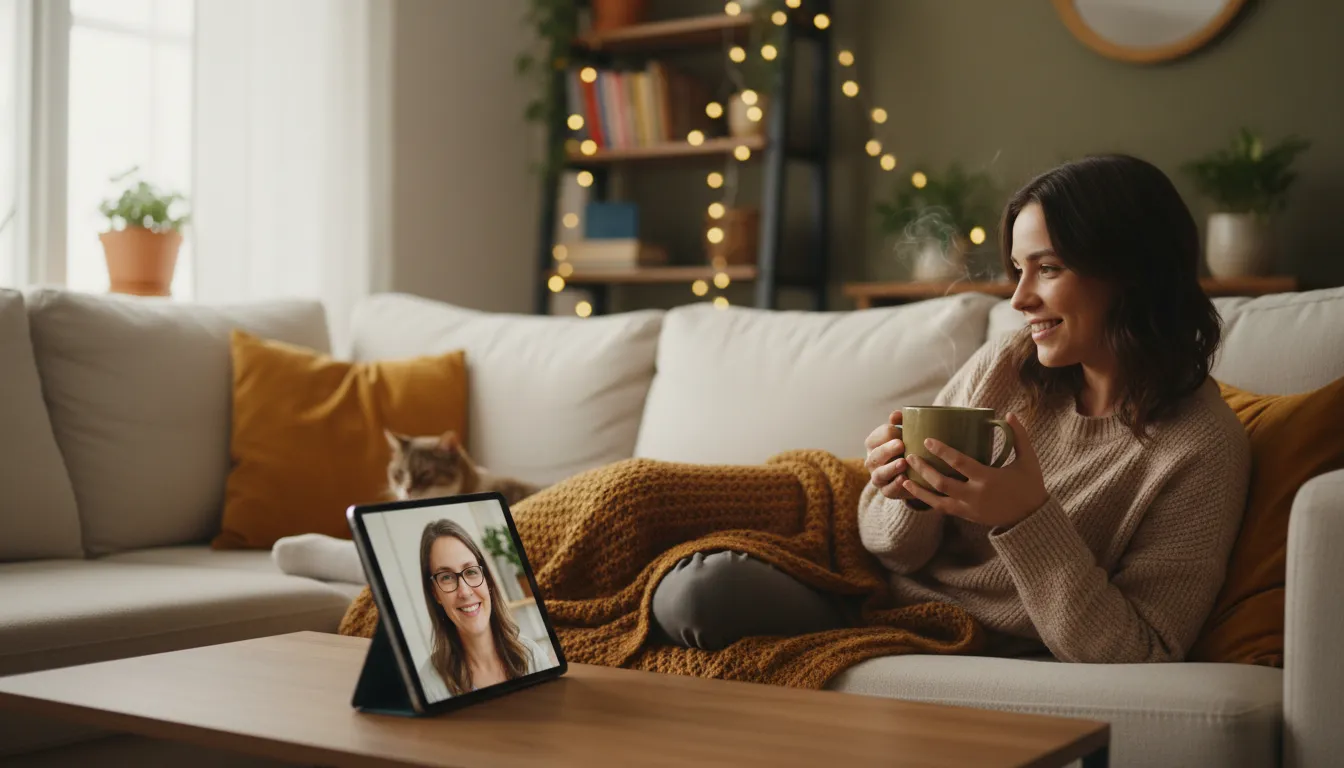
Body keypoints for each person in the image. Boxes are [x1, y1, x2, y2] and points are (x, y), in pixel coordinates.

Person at [650, 154, 1251, 664]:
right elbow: (893, 549)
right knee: (651, 512)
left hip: (954, 635)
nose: (1019, 298)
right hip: (869, 582)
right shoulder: (1009, 366)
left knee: (698, 596)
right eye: (1019, 270)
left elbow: (1140, 649)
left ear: (1132, 272)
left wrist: (1026, 518)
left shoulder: (1199, 447)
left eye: (1048, 268)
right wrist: (902, 492)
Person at [418, 519, 550, 699]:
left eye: (471, 571)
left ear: (486, 578)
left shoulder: (532, 656)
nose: (464, 592)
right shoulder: (429, 685)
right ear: (435, 594)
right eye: (447, 577)